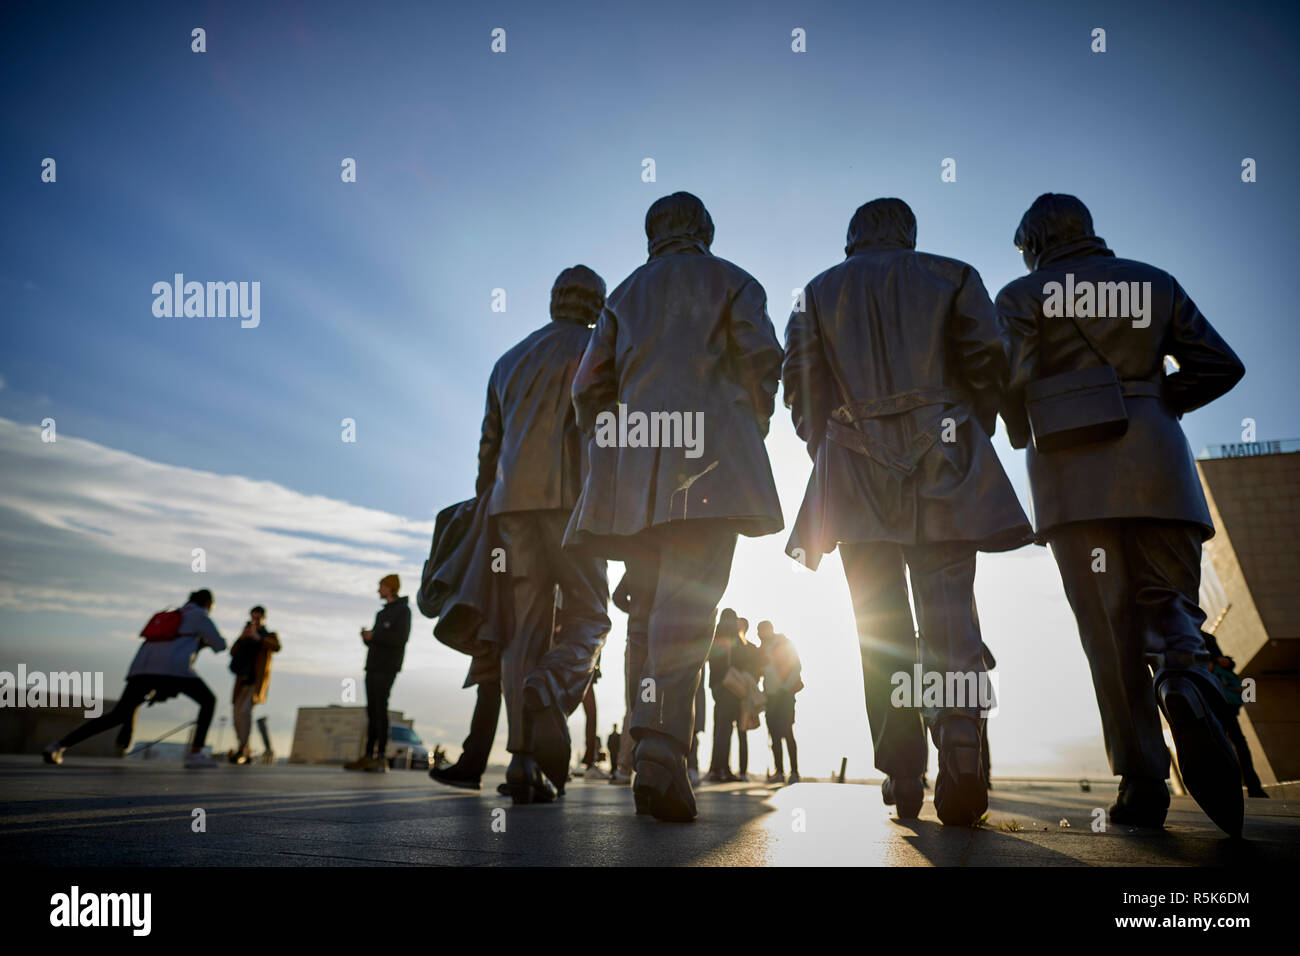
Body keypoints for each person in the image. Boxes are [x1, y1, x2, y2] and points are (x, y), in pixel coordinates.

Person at [997, 193, 1247, 836]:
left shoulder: (1024, 295)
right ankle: (1183, 680)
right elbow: (1221, 364)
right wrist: (1153, 401)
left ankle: (1142, 780)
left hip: (1073, 478)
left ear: (1033, 243)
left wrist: (1029, 422)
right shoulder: (1153, 282)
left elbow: (1013, 383)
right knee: (1169, 605)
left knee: (1107, 637)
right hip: (1158, 469)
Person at [783, 198, 1032, 825]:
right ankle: (963, 748)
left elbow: (799, 382)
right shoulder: (953, 275)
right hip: (944, 460)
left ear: (852, 237)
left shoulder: (815, 291)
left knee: (881, 628)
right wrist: (967, 425)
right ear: (909, 233)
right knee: (952, 615)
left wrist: (828, 443)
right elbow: (986, 361)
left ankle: (901, 770)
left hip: (852, 470)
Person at [566, 192, 784, 821]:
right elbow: (764, 364)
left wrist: (616, 452)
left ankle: (646, 753)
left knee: (646, 608)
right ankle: (661, 753)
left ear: (651, 236)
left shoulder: (623, 296)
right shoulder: (735, 281)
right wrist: (746, 427)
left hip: (636, 471)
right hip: (711, 461)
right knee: (689, 601)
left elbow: (589, 391)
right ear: (704, 231)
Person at [477, 265, 612, 804]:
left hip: (512, 508)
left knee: (521, 630)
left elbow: (489, 448)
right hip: (577, 503)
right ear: (596, 304)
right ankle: (551, 685)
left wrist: (489, 511)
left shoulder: (508, 360)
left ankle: (521, 761)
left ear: (555, 300)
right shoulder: (603, 348)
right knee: (592, 613)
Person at [44, 589, 227, 769]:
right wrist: (202, 642)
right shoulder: (200, 616)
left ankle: (59, 745)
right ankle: (195, 753)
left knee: (117, 715)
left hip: (141, 669)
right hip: (174, 670)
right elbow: (220, 645)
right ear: (208, 603)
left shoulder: (173, 613)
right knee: (208, 701)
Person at [346, 574, 411, 772]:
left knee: (380, 708)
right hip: (373, 665)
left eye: (381, 586)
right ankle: (368, 755)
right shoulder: (381, 614)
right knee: (372, 710)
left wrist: (377, 635)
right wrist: (367, 638)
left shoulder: (403, 611)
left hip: (387, 667)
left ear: (391, 588)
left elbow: (400, 639)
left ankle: (381, 756)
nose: (378, 590)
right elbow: (378, 639)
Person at [1202, 634, 1267, 798]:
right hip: (1207, 699)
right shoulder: (1183, 631)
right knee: (1220, 743)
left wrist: (1225, 662)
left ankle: (1252, 786)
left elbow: (1224, 663)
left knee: (1236, 741)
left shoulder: (1207, 637)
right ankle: (1228, 787)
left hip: (1223, 699)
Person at [228, 605, 281, 765]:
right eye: (253, 617)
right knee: (237, 715)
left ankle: (243, 748)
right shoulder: (245, 634)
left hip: (256, 682)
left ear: (263, 618)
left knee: (245, 712)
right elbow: (233, 652)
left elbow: (276, 646)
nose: (255, 621)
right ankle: (243, 747)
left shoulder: (269, 635)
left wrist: (259, 638)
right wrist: (244, 637)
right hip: (241, 681)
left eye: (258, 618)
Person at [758, 622, 801, 784]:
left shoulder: (784, 643)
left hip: (784, 696)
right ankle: (780, 771)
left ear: (769, 630)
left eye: (761, 630)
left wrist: (785, 688)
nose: (759, 633)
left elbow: (796, 667)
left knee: (787, 733)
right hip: (770, 697)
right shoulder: (763, 648)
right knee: (774, 735)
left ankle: (794, 772)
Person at [706, 609, 743, 782]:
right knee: (725, 729)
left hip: (716, 686)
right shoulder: (735, 639)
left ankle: (716, 768)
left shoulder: (715, 636)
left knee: (719, 728)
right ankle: (722, 769)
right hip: (730, 688)